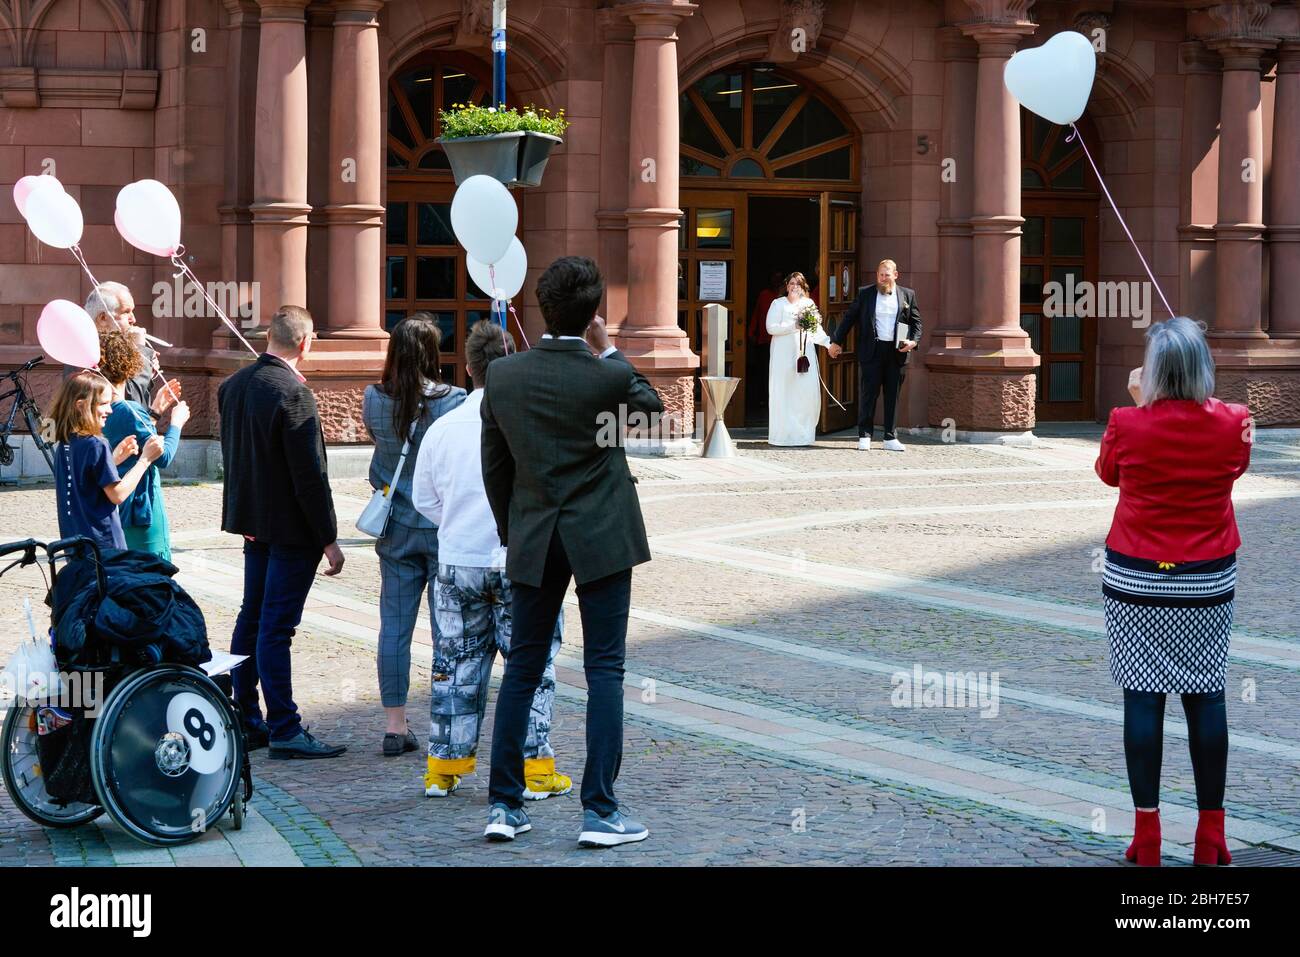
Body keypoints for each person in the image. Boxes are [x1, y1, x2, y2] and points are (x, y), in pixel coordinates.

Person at [479, 256, 661, 847]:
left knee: (523, 667)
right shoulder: (606, 374)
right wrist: (607, 350)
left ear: (542, 307)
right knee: (604, 668)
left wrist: (516, 530)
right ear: (592, 316)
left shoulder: (503, 376)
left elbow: (495, 466)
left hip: (534, 531)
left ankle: (504, 806)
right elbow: (653, 408)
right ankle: (600, 811)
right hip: (602, 533)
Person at [1095, 317, 1250, 867]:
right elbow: (1236, 463)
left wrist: (1139, 404)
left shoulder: (1126, 422)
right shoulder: (1235, 422)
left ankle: (1148, 835)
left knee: (1143, 697)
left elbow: (1108, 473)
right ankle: (1212, 835)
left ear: (1154, 370)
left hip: (1137, 576)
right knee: (1207, 697)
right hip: (1207, 577)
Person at [411, 320, 573, 801]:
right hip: (520, 560)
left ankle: (444, 767)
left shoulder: (443, 427)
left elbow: (425, 499)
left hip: (459, 560)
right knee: (533, 664)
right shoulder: (531, 424)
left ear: (468, 368)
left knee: (454, 664)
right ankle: (535, 767)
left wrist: (458, 522)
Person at [218, 305, 347, 758]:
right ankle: (284, 727)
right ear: (306, 343)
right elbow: (309, 475)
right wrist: (328, 537)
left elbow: (235, 457)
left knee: (252, 618)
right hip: (290, 529)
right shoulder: (293, 393)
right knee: (275, 627)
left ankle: (247, 716)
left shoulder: (232, 386)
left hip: (254, 523)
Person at [362, 314, 466, 757]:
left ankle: (394, 724)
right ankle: (444, 719)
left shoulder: (373, 398)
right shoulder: (455, 401)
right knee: (448, 631)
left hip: (397, 527)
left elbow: (378, 444)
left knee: (395, 628)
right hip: (443, 527)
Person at [46, 371, 164, 553]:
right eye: (103, 404)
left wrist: (113, 459)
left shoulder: (66, 441)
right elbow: (117, 494)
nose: (109, 410)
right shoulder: (96, 444)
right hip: (103, 545)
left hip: (74, 544)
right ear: (81, 405)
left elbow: (85, 479)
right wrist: (145, 459)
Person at [97, 330, 190, 561]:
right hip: (140, 508)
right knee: (154, 573)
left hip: (118, 506)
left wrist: (156, 411)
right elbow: (163, 456)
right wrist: (177, 422)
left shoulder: (100, 409)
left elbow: (137, 436)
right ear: (128, 366)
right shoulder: (127, 409)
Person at [828, 259, 922, 451]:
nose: (883, 278)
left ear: (895, 275)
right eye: (880, 274)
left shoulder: (908, 295)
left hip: (896, 352)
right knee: (868, 394)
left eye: (887, 274)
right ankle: (865, 435)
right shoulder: (866, 293)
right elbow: (850, 318)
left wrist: (914, 341)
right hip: (872, 350)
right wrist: (836, 341)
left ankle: (890, 437)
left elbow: (916, 322)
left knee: (892, 395)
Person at [84, 282, 182, 419]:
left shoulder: (109, 347)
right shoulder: (92, 351)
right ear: (103, 318)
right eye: (126, 312)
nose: (133, 319)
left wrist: (148, 368)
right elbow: (130, 401)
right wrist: (140, 352)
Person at [765, 271, 831, 447]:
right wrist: (793, 325)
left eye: (798, 284)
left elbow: (816, 330)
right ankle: (782, 436)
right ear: (786, 286)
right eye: (792, 283)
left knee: (804, 393)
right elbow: (771, 328)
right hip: (783, 355)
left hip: (804, 355)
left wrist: (828, 344)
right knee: (784, 392)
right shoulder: (778, 304)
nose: (794, 287)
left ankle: (803, 435)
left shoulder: (808, 304)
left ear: (803, 288)